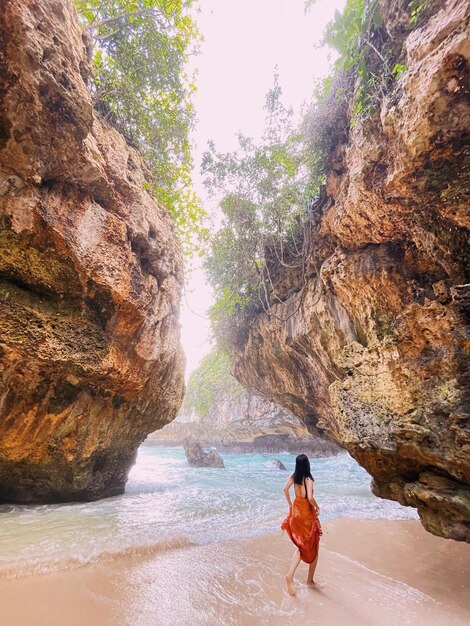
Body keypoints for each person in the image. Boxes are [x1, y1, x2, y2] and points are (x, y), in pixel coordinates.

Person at [281, 454, 322, 596]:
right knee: (313, 544)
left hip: (296, 512)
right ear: (307, 464)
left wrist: (290, 505)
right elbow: (310, 498)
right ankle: (308, 580)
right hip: (306, 515)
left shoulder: (294, 476)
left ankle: (295, 576)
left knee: (301, 545)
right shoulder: (308, 479)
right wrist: (317, 507)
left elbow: (285, 489)